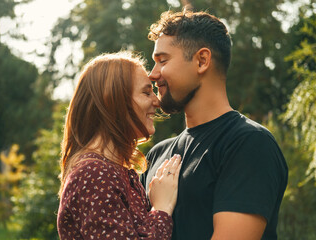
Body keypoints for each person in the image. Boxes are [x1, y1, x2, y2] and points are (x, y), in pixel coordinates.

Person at [141, 10, 288, 240]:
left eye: (163, 60)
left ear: (202, 61)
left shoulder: (249, 144)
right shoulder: (155, 155)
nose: (153, 74)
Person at [57, 52, 182, 240]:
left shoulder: (112, 170)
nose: (156, 101)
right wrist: (161, 209)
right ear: (114, 101)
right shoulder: (94, 174)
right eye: (146, 92)